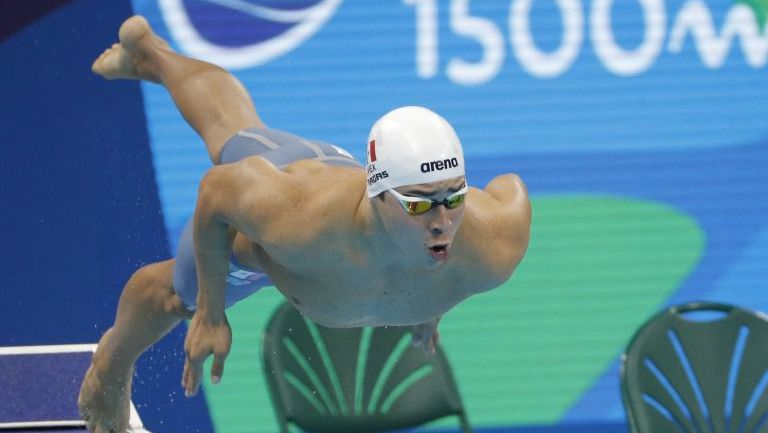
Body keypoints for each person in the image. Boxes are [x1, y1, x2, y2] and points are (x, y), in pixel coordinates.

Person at [78, 15, 531, 433]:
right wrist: (212, 313)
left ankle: (147, 51)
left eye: (453, 198)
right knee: (180, 292)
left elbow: (512, 187)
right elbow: (217, 192)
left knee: (237, 126)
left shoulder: (493, 240)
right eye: (419, 205)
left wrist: (433, 301)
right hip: (301, 189)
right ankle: (111, 366)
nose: (443, 222)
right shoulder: (299, 227)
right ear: (379, 197)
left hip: (340, 184)